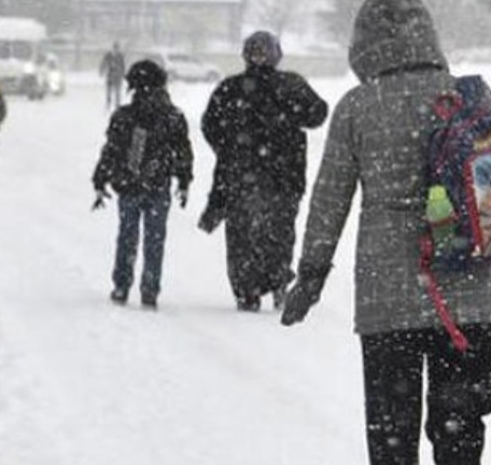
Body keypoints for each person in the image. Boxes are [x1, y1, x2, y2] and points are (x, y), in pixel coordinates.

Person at [280, 0, 491, 465]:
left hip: (388, 300)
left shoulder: (358, 107)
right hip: (472, 293)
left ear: (364, 44)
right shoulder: (467, 99)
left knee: (392, 431)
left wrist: (310, 273)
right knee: (459, 419)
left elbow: (329, 199)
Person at [200, 31, 329, 312]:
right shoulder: (290, 84)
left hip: (244, 176)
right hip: (284, 175)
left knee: (243, 237)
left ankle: (249, 289)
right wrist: (290, 114)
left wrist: (229, 148)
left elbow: (210, 125)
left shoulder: (231, 88)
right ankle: (276, 280)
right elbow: (318, 113)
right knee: (278, 233)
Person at [91, 59, 193, 310]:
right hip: (158, 185)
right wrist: (183, 179)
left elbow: (111, 151)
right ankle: (149, 289)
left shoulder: (125, 116)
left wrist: (101, 178)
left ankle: (122, 285)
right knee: (154, 239)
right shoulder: (173, 116)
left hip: (129, 184)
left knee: (127, 236)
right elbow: (183, 151)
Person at [99, 42, 126, 111]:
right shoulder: (108, 55)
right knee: (109, 91)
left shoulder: (120, 56)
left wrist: (123, 74)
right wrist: (101, 70)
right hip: (110, 75)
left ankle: (117, 105)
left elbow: (123, 66)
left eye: (117, 48)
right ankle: (108, 103)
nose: (116, 50)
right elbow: (103, 63)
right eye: (115, 48)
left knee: (117, 91)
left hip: (117, 76)